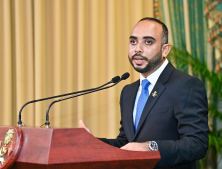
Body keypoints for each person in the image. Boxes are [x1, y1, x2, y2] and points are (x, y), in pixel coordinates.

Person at [79, 17, 209, 169]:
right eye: (133, 42)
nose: (137, 49)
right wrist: (92, 142)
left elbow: (197, 144)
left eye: (148, 42)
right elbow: (126, 143)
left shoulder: (185, 85)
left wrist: (151, 147)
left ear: (165, 49)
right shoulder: (128, 92)